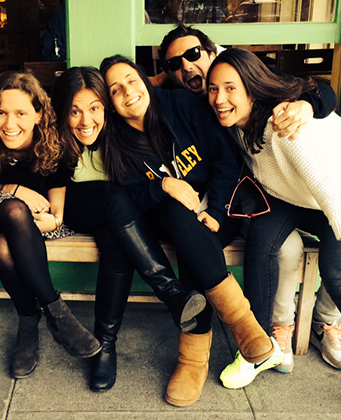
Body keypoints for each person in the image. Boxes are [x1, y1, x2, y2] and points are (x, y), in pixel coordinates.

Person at [206, 48, 341, 419]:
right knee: (263, 240)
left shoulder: (284, 127)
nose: (219, 98)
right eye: (212, 89)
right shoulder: (234, 121)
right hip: (291, 195)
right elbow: (216, 57)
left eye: (230, 88)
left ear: (252, 88)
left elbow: (329, 192)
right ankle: (259, 348)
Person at [156, 23, 341, 373]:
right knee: (279, 247)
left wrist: (306, 105)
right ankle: (271, 330)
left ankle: (324, 321)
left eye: (193, 54)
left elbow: (322, 90)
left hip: (303, 187)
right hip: (253, 198)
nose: (185, 66)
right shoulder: (182, 98)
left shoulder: (250, 77)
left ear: (211, 52)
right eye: (174, 64)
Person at [100, 55, 282, 407]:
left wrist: (214, 211)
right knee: (179, 218)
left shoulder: (180, 105)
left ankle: (194, 359)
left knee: (192, 248)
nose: (127, 91)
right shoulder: (116, 139)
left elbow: (224, 161)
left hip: (218, 205)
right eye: (115, 89)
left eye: (131, 80)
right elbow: (133, 195)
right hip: (167, 216)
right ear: (110, 102)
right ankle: (243, 326)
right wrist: (164, 185)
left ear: (145, 81)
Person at [50, 67, 207, 392]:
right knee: (113, 197)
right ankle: (172, 294)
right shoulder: (57, 139)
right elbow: (56, 194)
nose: (85, 120)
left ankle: (105, 346)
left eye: (94, 108)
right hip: (77, 206)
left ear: (106, 107)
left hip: (119, 220)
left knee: (115, 243)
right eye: (75, 111)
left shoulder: (120, 134)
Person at [0, 71, 101, 379]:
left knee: (3, 247)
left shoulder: (54, 144)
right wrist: (15, 190)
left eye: (21, 113)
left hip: (34, 224)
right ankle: (58, 313)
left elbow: (57, 199)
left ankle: (28, 323)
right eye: (1, 112)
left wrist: (55, 219)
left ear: (38, 114)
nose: (9, 123)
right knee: (14, 210)